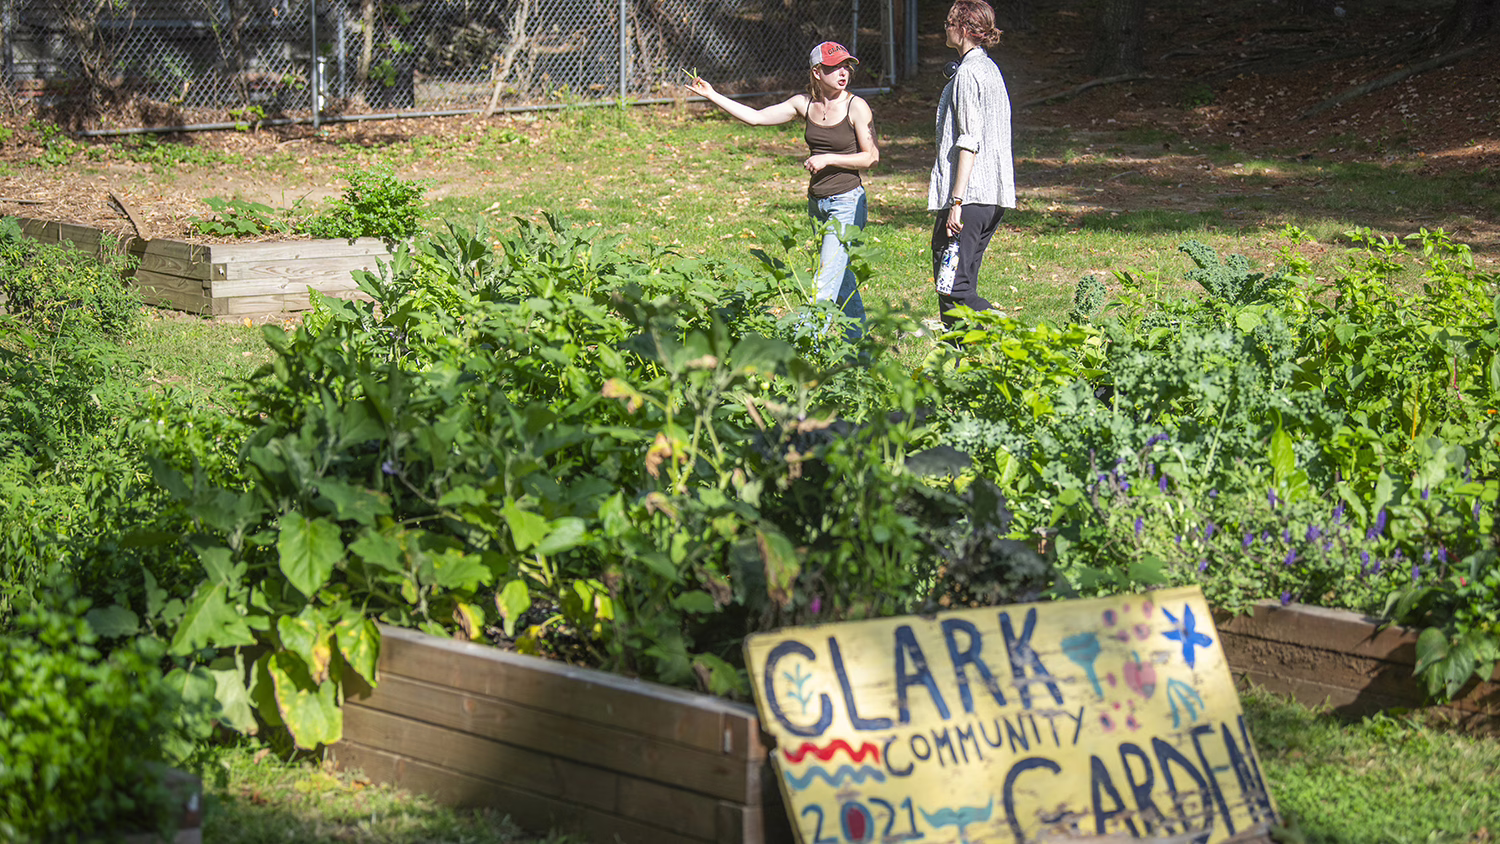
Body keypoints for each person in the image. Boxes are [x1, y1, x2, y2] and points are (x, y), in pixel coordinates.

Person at [685, 42, 879, 343]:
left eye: (846, 66)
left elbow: (871, 158)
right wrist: (712, 95)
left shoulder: (856, 107)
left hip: (847, 202)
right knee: (839, 277)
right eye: (834, 67)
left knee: (825, 280)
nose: (843, 72)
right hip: (818, 204)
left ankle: (801, 353)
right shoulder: (804, 104)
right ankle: (860, 349)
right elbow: (756, 117)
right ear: (817, 72)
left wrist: (828, 159)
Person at [928, 0, 1013, 329]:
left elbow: (968, 140)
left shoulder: (969, 73)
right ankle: (967, 367)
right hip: (991, 197)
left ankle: (1019, 342)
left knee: (953, 288)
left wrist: (956, 202)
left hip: (971, 198)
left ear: (963, 29)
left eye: (950, 23)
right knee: (959, 286)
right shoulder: (990, 69)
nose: (945, 28)